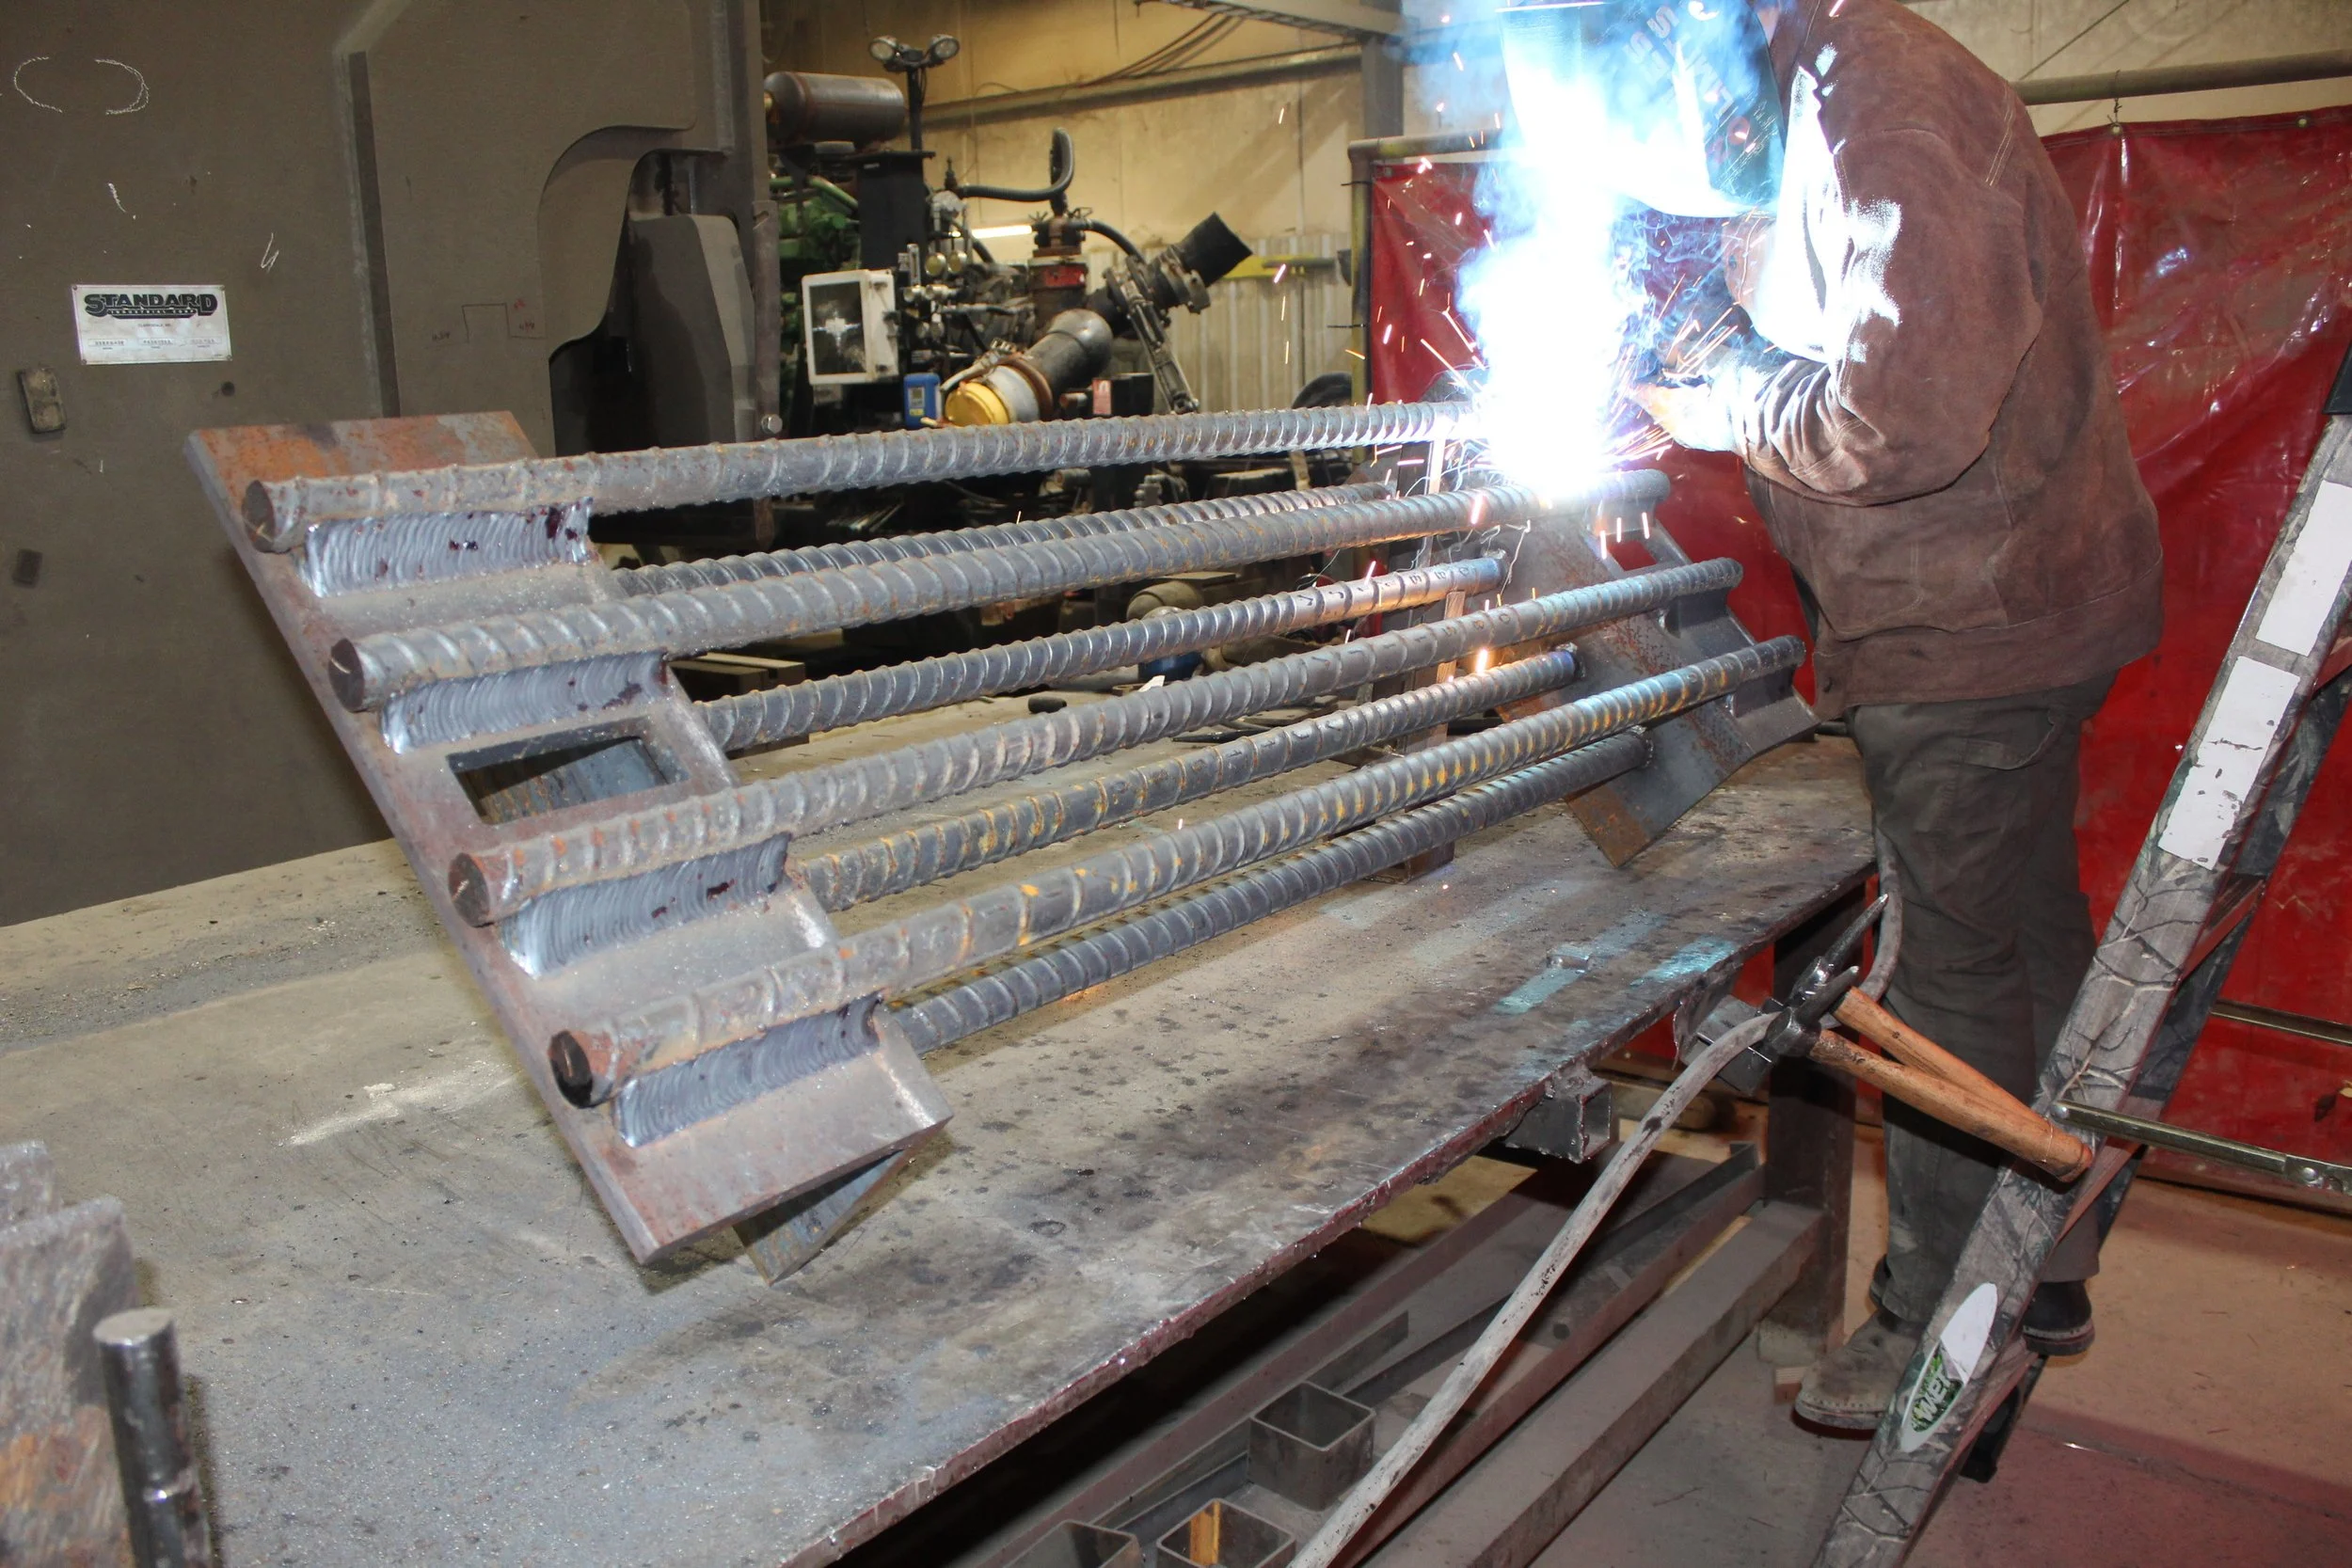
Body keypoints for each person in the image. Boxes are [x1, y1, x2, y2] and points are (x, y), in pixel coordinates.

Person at [1614, 0, 2166, 1427]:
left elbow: (1900, 418)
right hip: (1994, 607)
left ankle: (1939, 1316)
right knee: (2023, 925)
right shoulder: (1812, 99)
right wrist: (1707, 327)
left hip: (1974, 630)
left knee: (1949, 980)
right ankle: (2049, 1250)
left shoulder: (1888, 108)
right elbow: (1840, 306)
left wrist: (1728, 387)